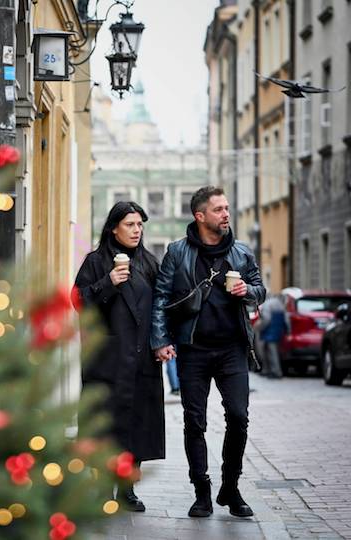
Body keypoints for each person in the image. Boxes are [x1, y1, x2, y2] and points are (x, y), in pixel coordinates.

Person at [151, 186, 265, 518]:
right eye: (218, 209)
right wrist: (161, 340)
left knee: (239, 417)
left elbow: (261, 289)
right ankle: (201, 491)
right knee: (194, 421)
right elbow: (161, 298)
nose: (226, 214)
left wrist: (247, 291)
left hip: (232, 349)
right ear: (200, 216)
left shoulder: (241, 252)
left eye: (227, 208)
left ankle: (231, 487)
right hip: (193, 350)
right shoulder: (177, 252)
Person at [73, 201, 165, 513]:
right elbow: (78, 300)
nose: (137, 230)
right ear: (114, 228)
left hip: (141, 359)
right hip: (106, 360)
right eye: (130, 225)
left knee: (137, 424)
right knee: (104, 425)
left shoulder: (149, 263)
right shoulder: (96, 261)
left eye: (140, 225)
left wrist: (162, 341)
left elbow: (161, 307)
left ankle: (127, 490)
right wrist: (108, 283)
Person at [257, 292, 287, 378]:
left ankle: (275, 372)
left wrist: (260, 328)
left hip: (269, 331)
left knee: (270, 352)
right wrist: (287, 330)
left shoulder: (267, 304)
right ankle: (271, 370)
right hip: (278, 331)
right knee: (272, 351)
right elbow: (286, 319)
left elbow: (266, 319)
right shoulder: (280, 304)